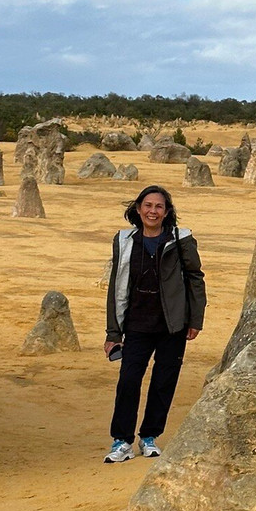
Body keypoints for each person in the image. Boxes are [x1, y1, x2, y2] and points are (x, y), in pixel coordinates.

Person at [103, 185, 206, 463]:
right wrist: (114, 332)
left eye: (159, 206)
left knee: (163, 382)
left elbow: (196, 278)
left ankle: (149, 437)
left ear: (167, 212)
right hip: (137, 324)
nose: (153, 211)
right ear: (138, 209)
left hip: (172, 325)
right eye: (148, 205)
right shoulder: (124, 241)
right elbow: (116, 287)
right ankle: (121, 441)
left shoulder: (181, 239)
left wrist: (195, 319)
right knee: (128, 381)